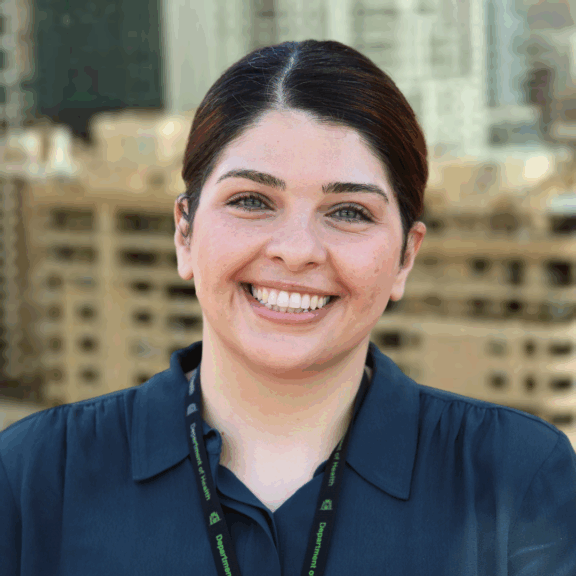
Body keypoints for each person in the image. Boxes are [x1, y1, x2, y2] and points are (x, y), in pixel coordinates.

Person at [1, 39, 575, 575]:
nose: (297, 251)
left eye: (349, 212)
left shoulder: (517, 476)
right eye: (252, 201)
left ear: (406, 256)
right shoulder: (32, 476)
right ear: (184, 233)